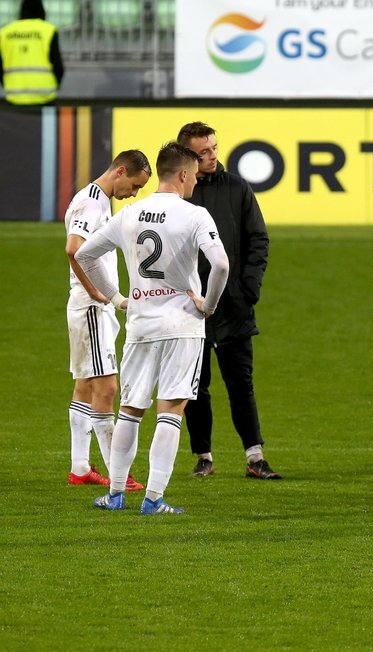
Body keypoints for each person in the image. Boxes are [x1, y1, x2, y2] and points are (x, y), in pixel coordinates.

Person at [76, 142, 230, 515]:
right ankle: (154, 499)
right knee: (171, 410)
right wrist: (207, 306)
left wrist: (115, 297)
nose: (195, 181)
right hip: (181, 324)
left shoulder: (129, 213)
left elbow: (84, 254)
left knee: (130, 409)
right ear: (182, 174)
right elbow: (221, 266)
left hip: (141, 322)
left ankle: (115, 495)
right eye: (194, 175)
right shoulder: (195, 215)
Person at [176, 122, 278, 479]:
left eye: (214, 148)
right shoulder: (179, 195)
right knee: (195, 386)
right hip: (189, 308)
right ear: (186, 156)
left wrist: (248, 287)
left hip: (234, 305)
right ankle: (203, 456)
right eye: (203, 152)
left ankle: (255, 456)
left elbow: (258, 239)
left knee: (241, 384)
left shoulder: (237, 188)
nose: (212, 156)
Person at [64, 151, 151, 490]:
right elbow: (74, 249)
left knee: (85, 386)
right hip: (90, 307)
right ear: (120, 171)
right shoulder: (92, 203)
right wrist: (101, 294)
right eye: (134, 185)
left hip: (87, 306)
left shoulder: (95, 199)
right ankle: (118, 473)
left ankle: (81, 467)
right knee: (108, 388)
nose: (134, 193)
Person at [0, 0, 64, 106]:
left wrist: (6, 85)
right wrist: (56, 84)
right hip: (45, 97)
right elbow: (58, 65)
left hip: (14, 97)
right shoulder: (48, 30)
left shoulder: (5, 32)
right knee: (46, 124)